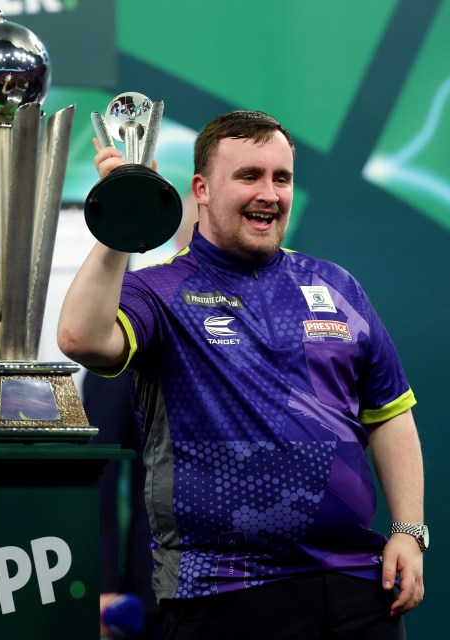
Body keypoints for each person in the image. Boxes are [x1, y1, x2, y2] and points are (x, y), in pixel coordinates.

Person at [59, 110, 426, 639]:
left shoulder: (336, 285)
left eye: (282, 178)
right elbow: (82, 338)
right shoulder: (160, 292)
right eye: (249, 176)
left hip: (356, 589)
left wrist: (408, 531)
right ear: (202, 189)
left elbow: (391, 414)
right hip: (223, 595)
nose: (269, 193)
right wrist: (121, 217)